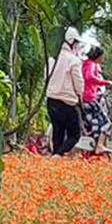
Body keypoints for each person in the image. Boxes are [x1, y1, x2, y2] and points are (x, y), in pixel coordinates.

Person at [46, 27, 84, 156]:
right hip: (67, 102)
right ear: (71, 41)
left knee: (58, 132)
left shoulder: (51, 60)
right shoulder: (74, 60)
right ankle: (57, 156)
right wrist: (80, 95)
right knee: (74, 134)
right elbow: (79, 84)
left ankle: (56, 157)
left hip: (51, 101)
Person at [81, 43, 112, 155]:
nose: (103, 59)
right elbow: (89, 77)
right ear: (98, 56)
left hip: (84, 98)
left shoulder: (85, 64)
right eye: (102, 56)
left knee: (95, 122)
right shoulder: (92, 65)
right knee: (105, 122)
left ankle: (94, 147)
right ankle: (99, 145)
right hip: (90, 97)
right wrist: (106, 82)